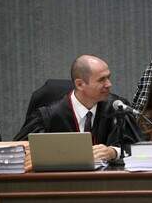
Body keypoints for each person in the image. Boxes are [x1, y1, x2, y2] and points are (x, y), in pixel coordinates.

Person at [14, 55, 142, 161]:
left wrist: (113, 152)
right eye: (102, 80)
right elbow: (20, 150)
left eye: (108, 77)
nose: (109, 84)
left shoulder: (117, 109)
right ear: (80, 84)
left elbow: (139, 148)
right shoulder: (49, 116)